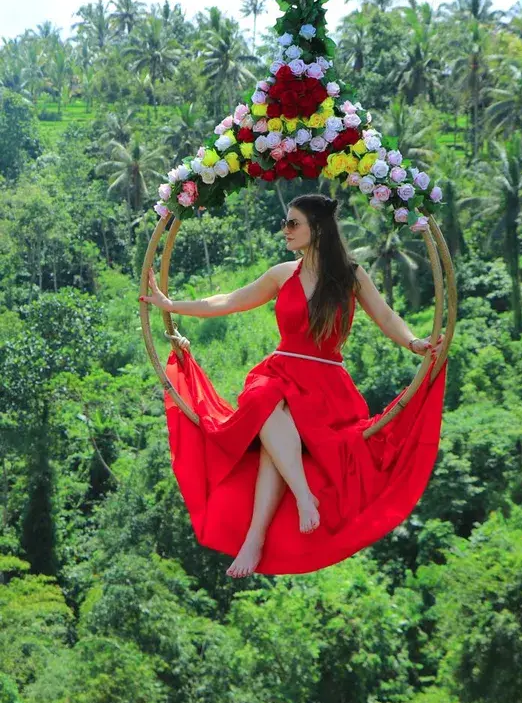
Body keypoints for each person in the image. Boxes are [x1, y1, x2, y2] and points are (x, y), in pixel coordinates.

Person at [140, 193, 445, 578]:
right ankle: (301, 499)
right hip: (282, 373)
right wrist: (171, 305)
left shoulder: (349, 274)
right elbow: (230, 301)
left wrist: (414, 342)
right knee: (263, 398)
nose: (285, 230)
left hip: (325, 386)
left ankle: (258, 536)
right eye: (286, 223)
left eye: (292, 223)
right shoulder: (282, 274)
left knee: (273, 436)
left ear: (315, 229)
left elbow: (386, 316)